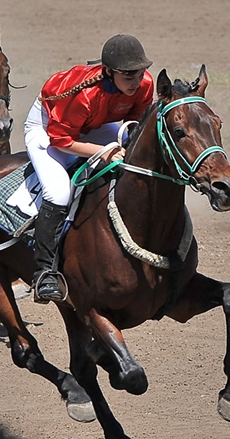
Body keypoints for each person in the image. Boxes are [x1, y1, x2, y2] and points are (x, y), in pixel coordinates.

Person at [23, 34, 154, 303]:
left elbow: (133, 124)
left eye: (139, 74)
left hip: (94, 124)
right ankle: (44, 273)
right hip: (49, 128)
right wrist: (104, 152)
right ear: (108, 72)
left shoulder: (145, 85)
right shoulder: (84, 94)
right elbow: (61, 140)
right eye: (128, 76)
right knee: (58, 193)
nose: (136, 83)